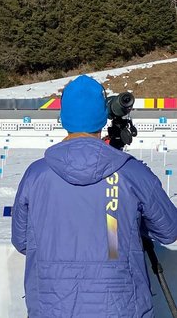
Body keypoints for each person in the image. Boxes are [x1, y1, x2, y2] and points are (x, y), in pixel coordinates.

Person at [11, 75, 177, 318]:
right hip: (121, 306)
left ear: (64, 118)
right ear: (102, 118)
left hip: (51, 305)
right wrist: (121, 224)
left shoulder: (36, 174)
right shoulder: (130, 172)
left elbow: (22, 241)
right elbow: (169, 229)